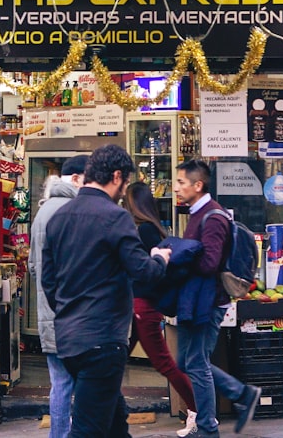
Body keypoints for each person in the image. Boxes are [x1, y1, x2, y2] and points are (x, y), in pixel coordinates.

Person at [42, 144, 171, 438]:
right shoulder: (115, 217)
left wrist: (67, 311)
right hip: (102, 338)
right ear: (116, 176)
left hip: (69, 339)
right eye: (125, 184)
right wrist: (160, 258)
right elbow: (143, 273)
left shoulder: (58, 218)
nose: (124, 192)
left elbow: (48, 282)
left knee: (113, 422)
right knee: (88, 429)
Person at [172, 159, 260, 437]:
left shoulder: (214, 217)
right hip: (197, 300)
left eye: (181, 182)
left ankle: (209, 428)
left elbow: (210, 262)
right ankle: (243, 395)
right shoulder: (199, 213)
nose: (176, 187)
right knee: (188, 362)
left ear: (198, 185)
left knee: (195, 362)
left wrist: (176, 258)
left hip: (208, 302)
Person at [122, 180, 198, 438]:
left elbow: (148, 270)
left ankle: (197, 411)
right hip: (140, 305)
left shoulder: (144, 232)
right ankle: (107, 412)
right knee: (115, 362)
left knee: (163, 363)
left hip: (142, 305)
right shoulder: (150, 229)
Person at [30, 154, 88, 438]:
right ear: (76, 180)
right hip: (73, 314)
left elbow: (32, 267)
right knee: (83, 383)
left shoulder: (42, 211)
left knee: (60, 383)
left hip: (48, 314)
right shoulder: (72, 211)